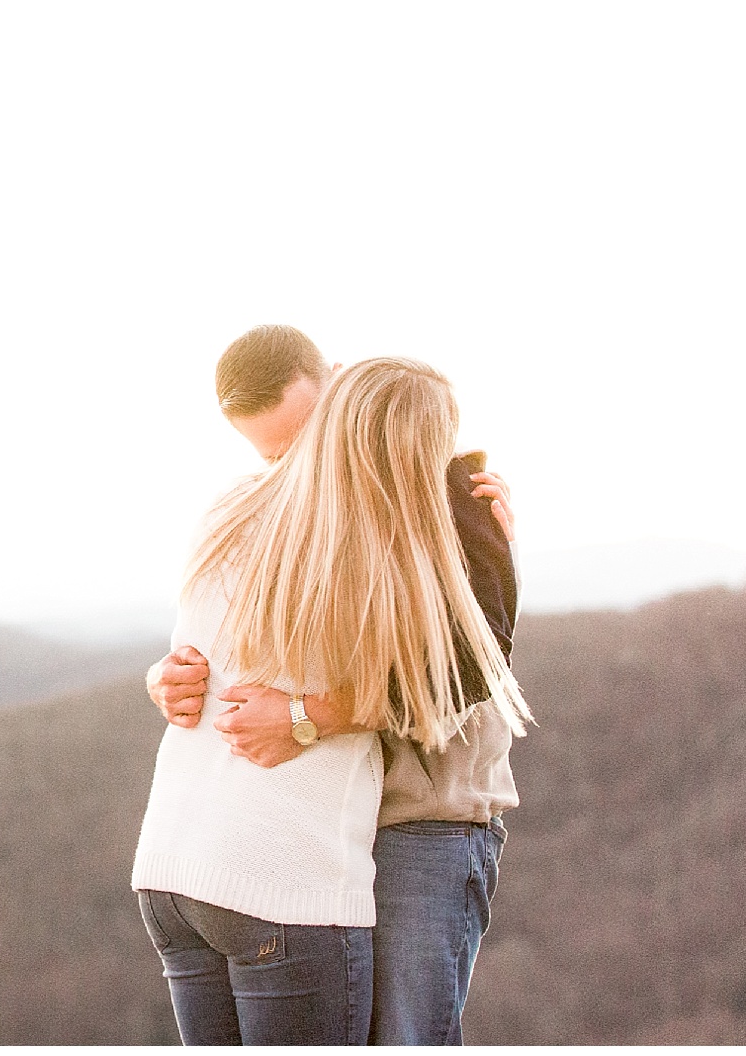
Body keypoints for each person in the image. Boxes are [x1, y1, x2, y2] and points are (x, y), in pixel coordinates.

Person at [131, 353, 531, 1045]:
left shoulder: (455, 495)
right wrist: (170, 676)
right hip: (347, 824)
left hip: (428, 814)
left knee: (407, 1033)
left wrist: (302, 717)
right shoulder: (319, 507)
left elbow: (461, 676)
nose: (292, 456)